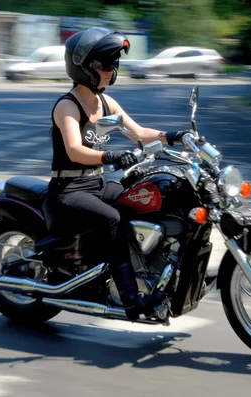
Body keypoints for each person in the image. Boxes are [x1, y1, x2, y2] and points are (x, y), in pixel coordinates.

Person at [47, 27, 186, 320]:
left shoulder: (105, 103)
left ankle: (144, 271)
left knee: (140, 199)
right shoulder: (68, 106)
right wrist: (109, 155)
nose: (111, 71)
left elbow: (139, 134)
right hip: (69, 189)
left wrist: (174, 135)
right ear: (82, 65)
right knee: (112, 219)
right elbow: (74, 150)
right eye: (104, 64)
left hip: (96, 183)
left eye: (114, 64)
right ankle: (131, 300)